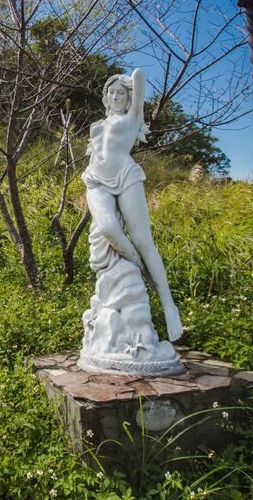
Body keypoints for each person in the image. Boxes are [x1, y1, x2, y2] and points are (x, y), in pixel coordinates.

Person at [82, 68, 183, 342]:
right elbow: (96, 155)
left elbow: (139, 77)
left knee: (143, 240)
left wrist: (129, 81)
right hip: (96, 182)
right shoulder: (96, 127)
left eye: (121, 93)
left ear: (129, 99)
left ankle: (169, 306)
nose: (115, 96)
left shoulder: (132, 117)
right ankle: (137, 266)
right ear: (105, 96)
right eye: (111, 92)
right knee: (108, 228)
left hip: (125, 176)